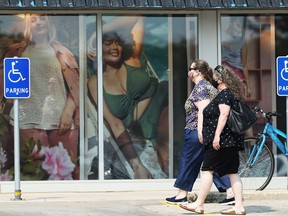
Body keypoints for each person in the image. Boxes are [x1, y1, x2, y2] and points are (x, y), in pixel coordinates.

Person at [87, 15, 169, 179]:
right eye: (107, 43)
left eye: (117, 42)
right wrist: (137, 165)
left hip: (159, 134)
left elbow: (137, 17)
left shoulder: (132, 60)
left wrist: (97, 34)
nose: (115, 47)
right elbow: (114, 123)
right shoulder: (95, 82)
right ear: (96, 50)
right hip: (131, 146)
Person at [0, 14, 80, 180]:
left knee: (64, 171)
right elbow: (5, 85)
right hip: (27, 118)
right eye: (34, 20)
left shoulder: (63, 53)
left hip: (60, 120)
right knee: (33, 171)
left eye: (42, 18)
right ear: (28, 25)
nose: (38, 23)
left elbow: (76, 87)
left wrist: (68, 110)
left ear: (49, 22)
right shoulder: (16, 52)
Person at [165, 60, 234, 205]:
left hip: (197, 130)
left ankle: (182, 195)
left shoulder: (201, 87)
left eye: (191, 69)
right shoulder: (207, 86)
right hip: (203, 131)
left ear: (197, 72)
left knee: (188, 160)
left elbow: (203, 110)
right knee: (211, 164)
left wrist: (201, 131)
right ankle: (230, 192)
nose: (188, 72)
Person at [180, 65, 246, 215]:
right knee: (232, 172)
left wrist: (216, 137)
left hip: (220, 142)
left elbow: (223, 115)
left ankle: (199, 204)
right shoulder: (231, 94)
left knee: (207, 171)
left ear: (221, 80)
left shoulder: (224, 95)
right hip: (230, 142)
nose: (214, 80)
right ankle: (239, 206)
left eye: (216, 78)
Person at [221, 16, 251, 99]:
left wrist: (248, 86)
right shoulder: (219, 37)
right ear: (231, 23)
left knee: (238, 103)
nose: (239, 29)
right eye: (237, 25)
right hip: (224, 75)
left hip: (238, 76)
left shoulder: (242, 42)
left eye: (241, 27)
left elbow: (244, 64)